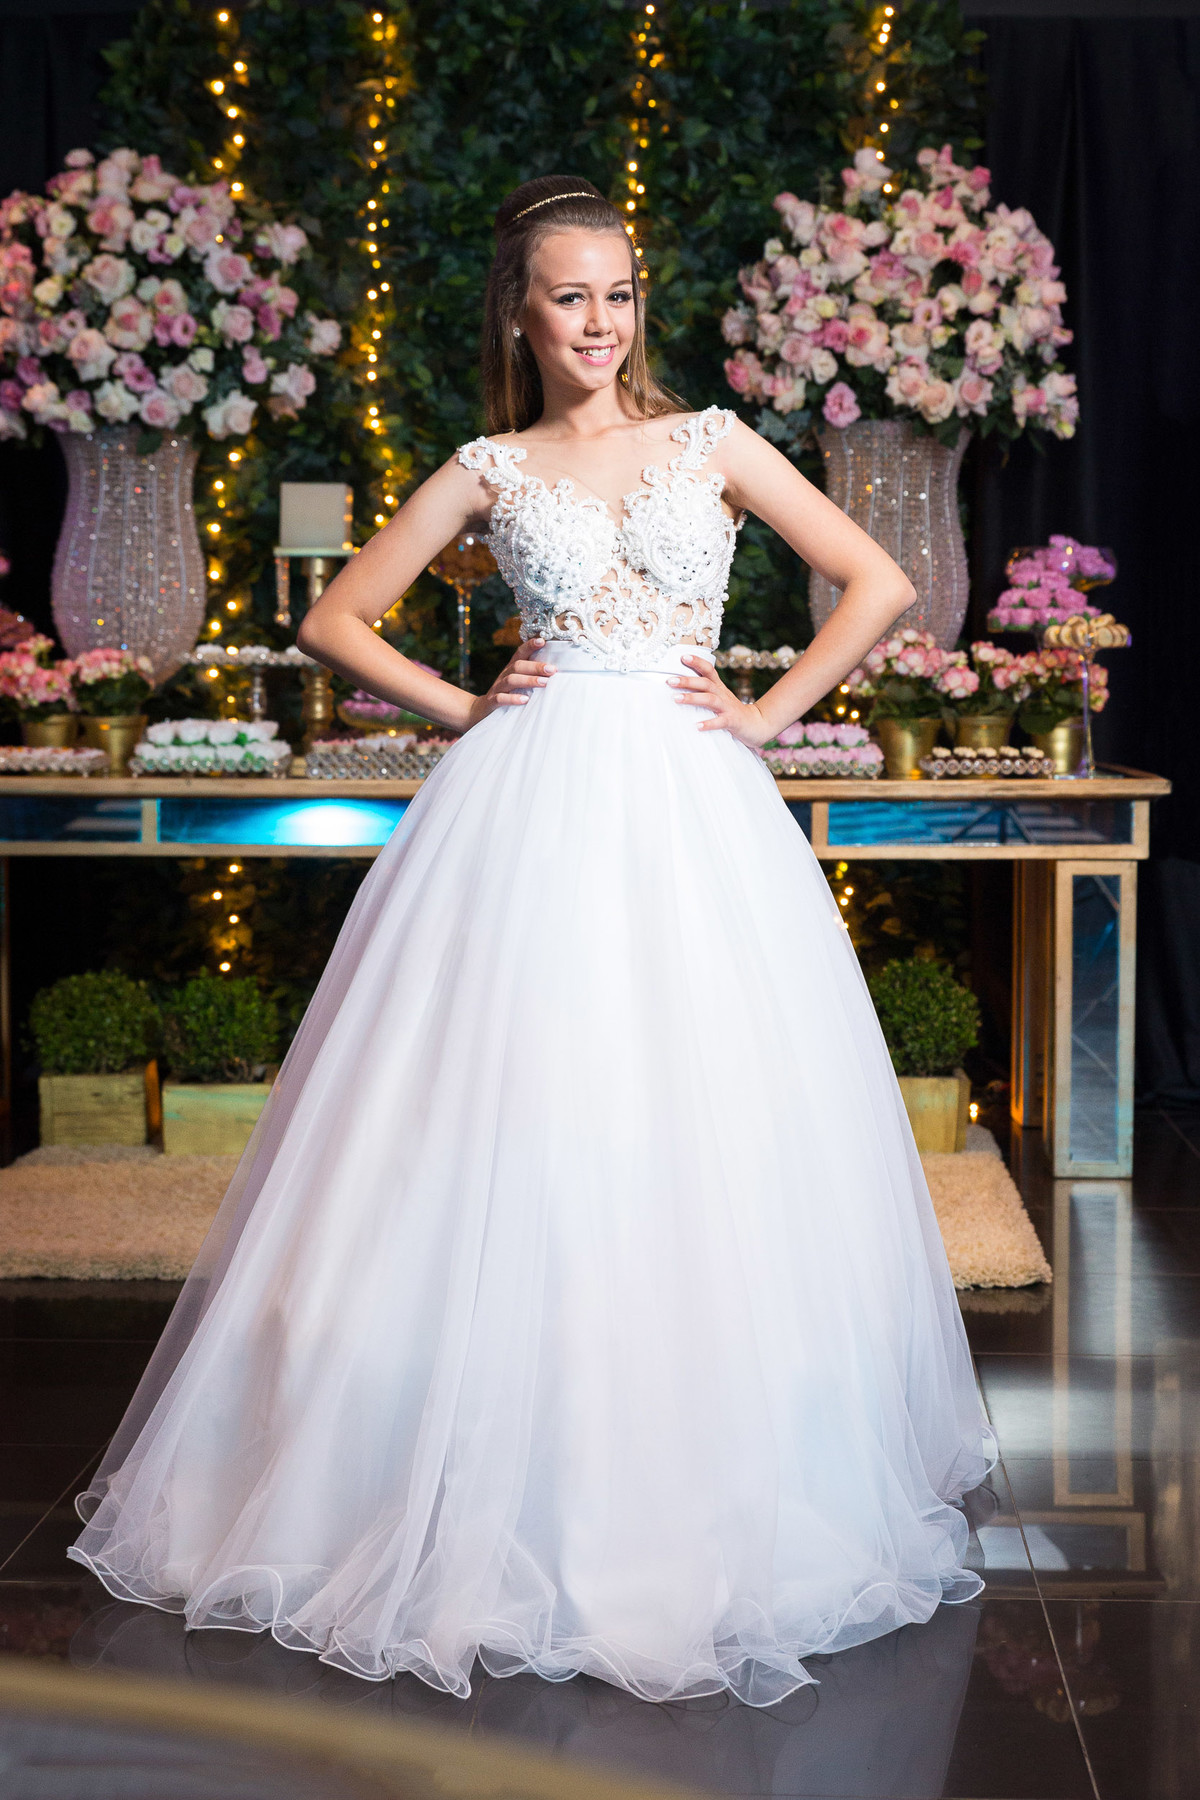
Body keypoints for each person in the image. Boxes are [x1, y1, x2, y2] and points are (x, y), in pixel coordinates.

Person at [69, 174, 997, 1708]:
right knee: (514, 1118)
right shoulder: (490, 468)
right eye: (570, 295)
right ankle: (474, 1462)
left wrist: (766, 712)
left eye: (620, 293)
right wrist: (462, 705)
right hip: (530, 797)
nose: (598, 321)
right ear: (522, 309)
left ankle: (697, 1470)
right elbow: (336, 619)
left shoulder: (712, 440)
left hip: (696, 809)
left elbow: (880, 576)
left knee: (694, 1115)